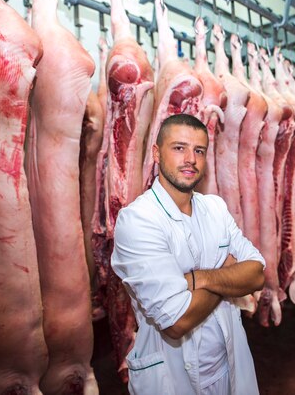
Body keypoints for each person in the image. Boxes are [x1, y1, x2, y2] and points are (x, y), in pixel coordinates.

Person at [111, 113, 266, 395]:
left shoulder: (215, 208)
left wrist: (199, 277)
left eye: (199, 151)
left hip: (229, 368)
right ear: (157, 153)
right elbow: (176, 320)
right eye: (179, 148)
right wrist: (229, 274)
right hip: (170, 379)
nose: (190, 160)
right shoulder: (138, 220)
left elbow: (256, 274)